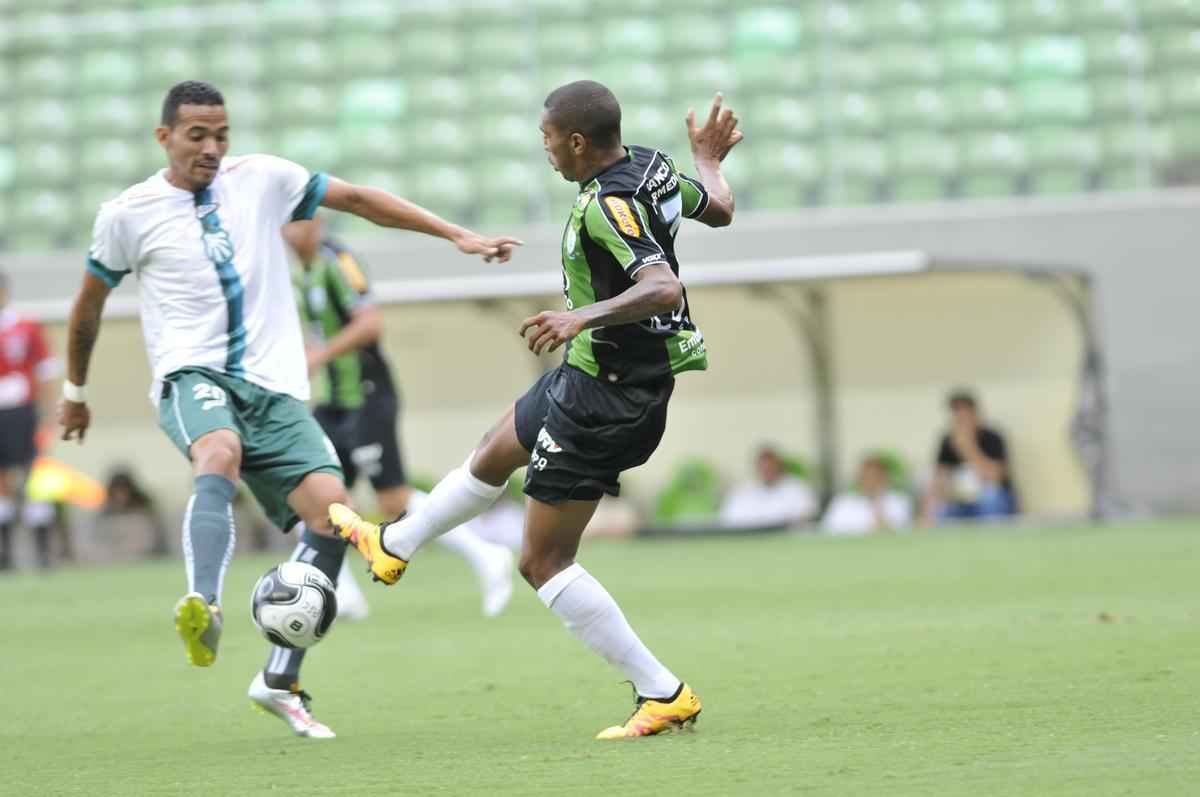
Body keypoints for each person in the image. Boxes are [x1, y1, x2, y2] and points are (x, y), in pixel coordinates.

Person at [57, 80, 520, 739]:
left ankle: (279, 677)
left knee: (334, 515)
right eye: (197, 135)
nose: (212, 147)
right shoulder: (127, 213)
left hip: (274, 389)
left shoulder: (264, 179)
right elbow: (88, 305)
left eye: (221, 134)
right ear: (164, 137)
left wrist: (455, 234)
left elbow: (358, 199)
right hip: (192, 377)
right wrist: (74, 392)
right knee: (218, 451)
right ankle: (204, 604)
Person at [331, 81, 741, 740]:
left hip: (607, 395)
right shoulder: (655, 166)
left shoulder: (611, 203)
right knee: (498, 445)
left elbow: (663, 286)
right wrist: (711, 163)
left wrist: (582, 314)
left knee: (542, 561)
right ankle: (393, 544)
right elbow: (717, 209)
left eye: (547, 137)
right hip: (588, 376)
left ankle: (663, 691)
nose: (545, 148)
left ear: (576, 141)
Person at [284, 217, 513, 619]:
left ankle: (488, 556)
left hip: (368, 396)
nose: (289, 232)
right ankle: (343, 596)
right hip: (333, 401)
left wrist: (320, 355)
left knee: (393, 500)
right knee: (311, 493)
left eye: (297, 222)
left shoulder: (337, 261)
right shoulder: (301, 273)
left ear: (317, 222)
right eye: (284, 225)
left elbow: (370, 322)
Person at [0, 270, 60, 571]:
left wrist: (47, 416)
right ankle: (6, 555)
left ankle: (43, 553)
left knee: (34, 477)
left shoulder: (26, 327)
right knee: (2, 482)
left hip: (22, 412)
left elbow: (45, 371)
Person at [921, 389, 1016, 524]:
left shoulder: (993, 438)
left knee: (992, 498)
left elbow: (995, 477)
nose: (960, 418)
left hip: (987, 498)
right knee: (941, 509)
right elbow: (938, 480)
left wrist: (968, 447)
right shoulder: (947, 441)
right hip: (960, 502)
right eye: (956, 413)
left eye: (964, 412)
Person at [719, 445, 818, 530]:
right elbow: (729, 518)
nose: (767, 471)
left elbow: (806, 517)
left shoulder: (797, 488)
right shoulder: (742, 490)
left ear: (780, 466)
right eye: (763, 467)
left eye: (771, 467)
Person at [821, 454, 913, 536]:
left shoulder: (899, 501)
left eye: (875, 476)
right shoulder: (843, 501)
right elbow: (827, 531)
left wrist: (877, 503)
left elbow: (897, 533)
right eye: (866, 476)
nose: (870, 481)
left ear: (885, 478)